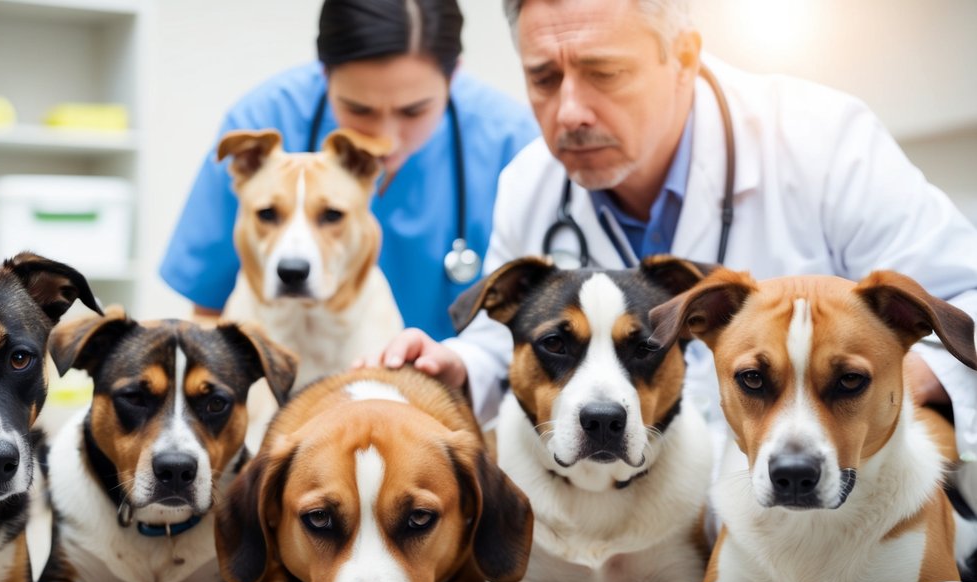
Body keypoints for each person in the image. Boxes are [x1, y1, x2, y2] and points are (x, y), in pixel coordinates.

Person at [375, 0, 977, 464]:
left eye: (604, 72)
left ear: (684, 58)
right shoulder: (530, 182)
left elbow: (966, 303)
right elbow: (510, 344)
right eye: (543, 78)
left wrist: (867, 379)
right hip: (645, 539)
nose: (570, 112)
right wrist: (455, 364)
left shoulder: (824, 141)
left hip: (822, 520)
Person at [159, 0, 539, 341]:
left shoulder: (511, 142)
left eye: (414, 111)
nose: (386, 139)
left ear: (453, 77)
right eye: (359, 109)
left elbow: (539, 320)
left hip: (461, 398)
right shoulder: (263, 120)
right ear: (325, 75)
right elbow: (208, 312)